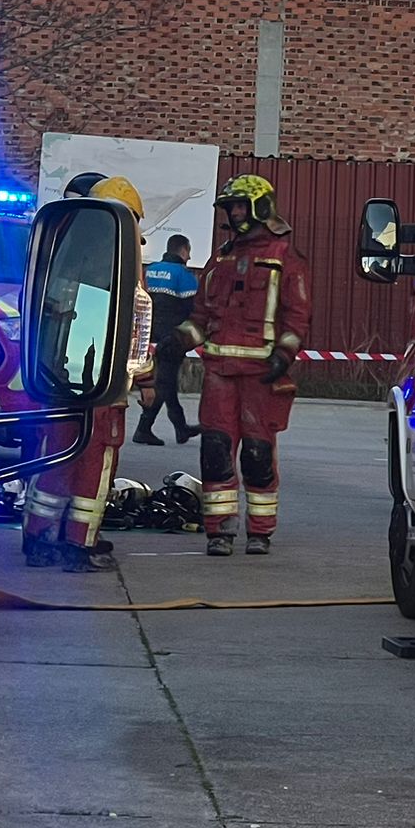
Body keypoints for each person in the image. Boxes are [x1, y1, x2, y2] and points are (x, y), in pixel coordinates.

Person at [168, 175, 310, 557]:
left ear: (261, 207)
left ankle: (260, 531)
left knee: (257, 455)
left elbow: (297, 318)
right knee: (215, 452)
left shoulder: (283, 256)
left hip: (261, 376)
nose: (233, 213)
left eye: (239, 206)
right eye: (229, 207)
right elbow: (201, 317)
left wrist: (284, 356)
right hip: (219, 374)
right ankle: (220, 530)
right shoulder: (222, 258)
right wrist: (178, 340)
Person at [22, 172, 142, 571]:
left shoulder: (65, 255)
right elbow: (135, 328)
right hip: (104, 384)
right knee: (94, 466)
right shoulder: (122, 265)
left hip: (60, 379)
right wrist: (141, 371)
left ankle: (39, 538)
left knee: (54, 459)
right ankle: (78, 545)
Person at [135, 233, 201, 446]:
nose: (189, 257)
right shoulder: (184, 276)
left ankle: (180, 427)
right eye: (188, 252)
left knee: (165, 383)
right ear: (183, 250)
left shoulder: (150, 270)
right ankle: (144, 428)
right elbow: (194, 309)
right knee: (164, 383)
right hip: (170, 338)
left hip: (146, 337)